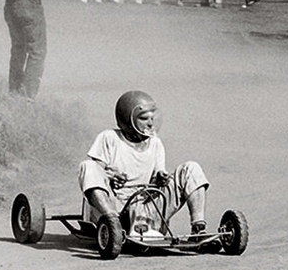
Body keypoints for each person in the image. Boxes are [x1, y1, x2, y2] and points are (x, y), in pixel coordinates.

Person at [79, 90, 212, 236]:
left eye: (152, 118)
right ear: (128, 122)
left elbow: (157, 178)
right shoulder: (109, 138)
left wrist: (161, 177)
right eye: (144, 119)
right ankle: (113, 223)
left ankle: (198, 229)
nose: (150, 123)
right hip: (117, 206)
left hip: (147, 207)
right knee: (88, 166)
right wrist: (111, 177)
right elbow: (96, 172)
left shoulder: (155, 143)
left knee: (191, 168)